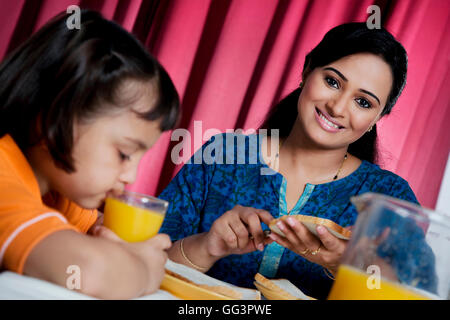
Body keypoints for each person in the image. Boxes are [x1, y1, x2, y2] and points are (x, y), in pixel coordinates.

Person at [158, 22, 436, 299]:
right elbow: (144, 261)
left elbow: (414, 292)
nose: (337, 108)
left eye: (363, 102)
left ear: (377, 118)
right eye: (332, 82)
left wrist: (347, 265)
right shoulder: (223, 156)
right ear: (307, 70)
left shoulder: (389, 200)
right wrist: (207, 246)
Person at [0, 10, 180, 299]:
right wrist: (144, 268)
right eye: (124, 153)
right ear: (53, 120)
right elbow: (87, 270)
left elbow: (95, 230)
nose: (131, 176)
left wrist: (113, 242)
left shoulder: (60, 194)